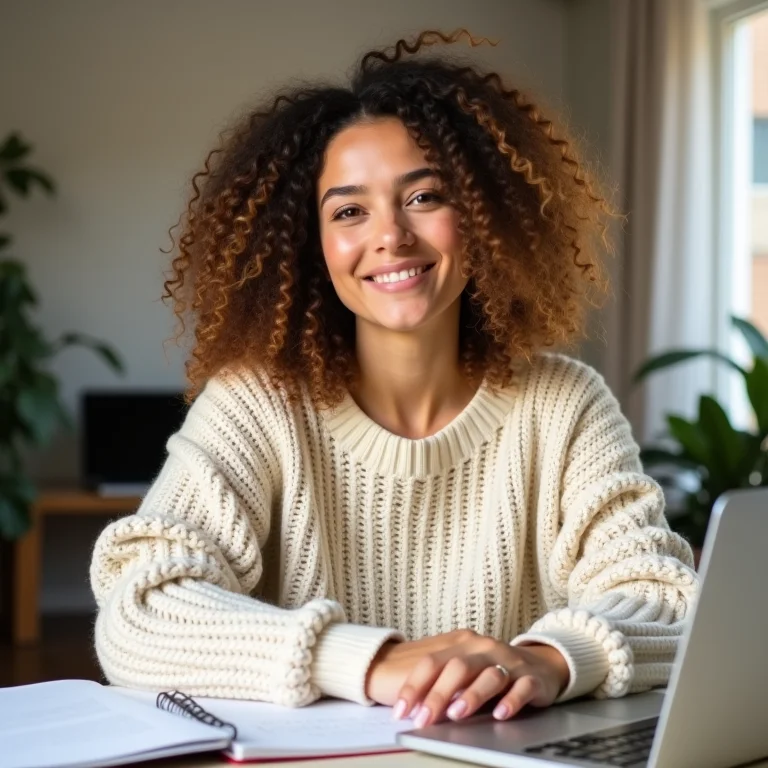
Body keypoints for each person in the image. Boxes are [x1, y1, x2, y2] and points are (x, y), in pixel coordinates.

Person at [89, 30, 698, 730]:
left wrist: (547, 660)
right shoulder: (255, 406)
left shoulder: (566, 405)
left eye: (425, 197)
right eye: (349, 211)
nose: (392, 237)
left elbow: (664, 599)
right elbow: (139, 611)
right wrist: (375, 664)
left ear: (484, 214)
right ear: (311, 246)